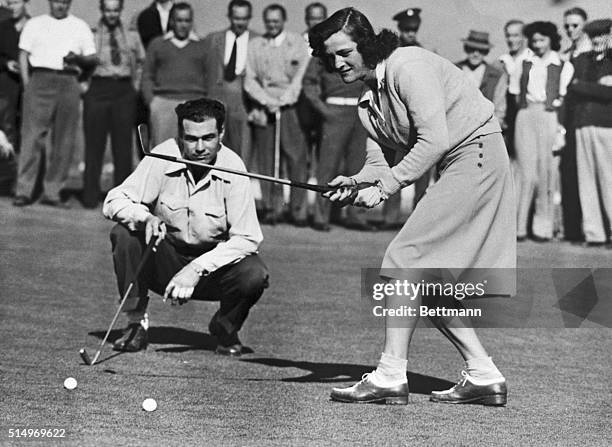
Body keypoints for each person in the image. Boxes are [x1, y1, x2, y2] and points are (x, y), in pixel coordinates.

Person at [309, 7, 515, 406]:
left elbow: (434, 139)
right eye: (329, 56)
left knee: (404, 259)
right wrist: (353, 184)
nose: (338, 63)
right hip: (457, 165)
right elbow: (376, 164)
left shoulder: (408, 65)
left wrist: (385, 188)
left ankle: (389, 375)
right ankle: (483, 374)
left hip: (475, 157)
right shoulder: (368, 101)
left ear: (366, 44)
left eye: (346, 52)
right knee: (425, 277)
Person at [103, 98, 269, 357]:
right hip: (165, 261)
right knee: (124, 233)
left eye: (208, 138)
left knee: (254, 273)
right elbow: (114, 200)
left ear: (222, 134)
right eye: (191, 139)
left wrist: (195, 269)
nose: (200, 147)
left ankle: (226, 328)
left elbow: (247, 238)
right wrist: (144, 217)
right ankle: (135, 323)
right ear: (180, 136)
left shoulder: (235, 167)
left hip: (212, 269)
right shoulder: (162, 155)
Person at [13, 0, 96, 207]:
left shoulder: (80, 26)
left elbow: (91, 58)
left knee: (64, 140)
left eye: (65, 2)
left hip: (69, 80)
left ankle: (52, 191)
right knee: (31, 137)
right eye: (58, 1)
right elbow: (23, 54)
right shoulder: (35, 24)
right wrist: (27, 84)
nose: (61, 6)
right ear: (50, 2)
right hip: (39, 79)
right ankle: (24, 190)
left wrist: (83, 79)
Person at [244, 3, 310, 225]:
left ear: (283, 21)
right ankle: (273, 207)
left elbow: (300, 75)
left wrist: (284, 100)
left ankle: (298, 210)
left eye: (276, 21)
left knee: (296, 157)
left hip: (291, 106)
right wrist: (266, 101)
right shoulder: (256, 45)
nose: (272, 25)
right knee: (268, 160)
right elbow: (250, 78)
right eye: (269, 21)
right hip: (265, 107)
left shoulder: (297, 43)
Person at [513, 21, 574, 242]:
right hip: (526, 115)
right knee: (526, 173)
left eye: (542, 40)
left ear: (551, 40)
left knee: (547, 173)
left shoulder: (562, 64)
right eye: (535, 40)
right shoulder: (524, 62)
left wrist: (561, 129)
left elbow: (564, 99)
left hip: (550, 116)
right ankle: (518, 227)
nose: (538, 45)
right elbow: (515, 92)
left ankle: (543, 228)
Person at [82, 0, 145, 209]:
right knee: (94, 144)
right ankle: (90, 196)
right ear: (102, 10)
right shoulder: (90, 35)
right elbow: (79, 61)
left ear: (120, 11)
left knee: (122, 146)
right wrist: (83, 85)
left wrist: (135, 86)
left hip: (123, 90)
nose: (111, 14)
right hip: (98, 88)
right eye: (107, 10)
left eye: (115, 10)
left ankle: (121, 198)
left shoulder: (132, 36)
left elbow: (142, 62)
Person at [302, 51, 375, 232]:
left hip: (360, 111)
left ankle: (356, 216)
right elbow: (309, 82)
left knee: (357, 166)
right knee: (328, 166)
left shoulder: (361, 49)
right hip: (334, 110)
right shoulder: (325, 52)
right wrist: (323, 108)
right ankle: (321, 216)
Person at [567, 19, 612, 247]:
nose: (597, 40)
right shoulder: (581, 60)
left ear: (609, 36)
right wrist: (598, 88)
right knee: (586, 180)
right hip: (582, 124)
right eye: (593, 36)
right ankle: (594, 234)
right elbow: (570, 86)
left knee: (609, 179)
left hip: (606, 125)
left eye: (602, 35)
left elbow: (609, 94)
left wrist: (582, 86)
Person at [141, 2, 207, 146]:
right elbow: (147, 76)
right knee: (163, 151)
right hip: (164, 104)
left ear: (191, 22)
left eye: (187, 20)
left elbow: (211, 78)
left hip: (195, 104)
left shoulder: (203, 46)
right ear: (172, 21)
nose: (183, 25)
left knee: (195, 149)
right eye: (179, 20)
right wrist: (152, 102)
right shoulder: (158, 44)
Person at [202, 0, 257, 163]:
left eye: (244, 18)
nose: (240, 22)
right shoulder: (213, 39)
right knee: (214, 150)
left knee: (242, 153)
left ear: (250, 18)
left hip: (243, 102)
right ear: (229, 17)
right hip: (217, 99)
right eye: (236, 18)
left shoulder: (257, 40)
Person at [0, 0, 29, 196]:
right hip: (7, 84)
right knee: (6, 129)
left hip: (30, 84)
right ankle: (6, 180)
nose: (12, 7)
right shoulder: (2, 27)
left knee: (27, 131)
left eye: (16, 2)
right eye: (8, 2)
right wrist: (6, 63)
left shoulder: (35, 26)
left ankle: (26, 182)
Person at [456, 30, 507, 127]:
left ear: (486, 52)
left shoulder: (496, 75)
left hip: (484, 128)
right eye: (472, 49)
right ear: (466, 49)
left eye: (481, 50)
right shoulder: (454, 70)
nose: (476, 54)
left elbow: (499, 108)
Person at [498, 19, 532, 161]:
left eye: (516, 35)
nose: (511, 40)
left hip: (527, 116)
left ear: (524, 37)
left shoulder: (532, 59)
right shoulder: (501, 62)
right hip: (507, 118)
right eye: (508, 36)